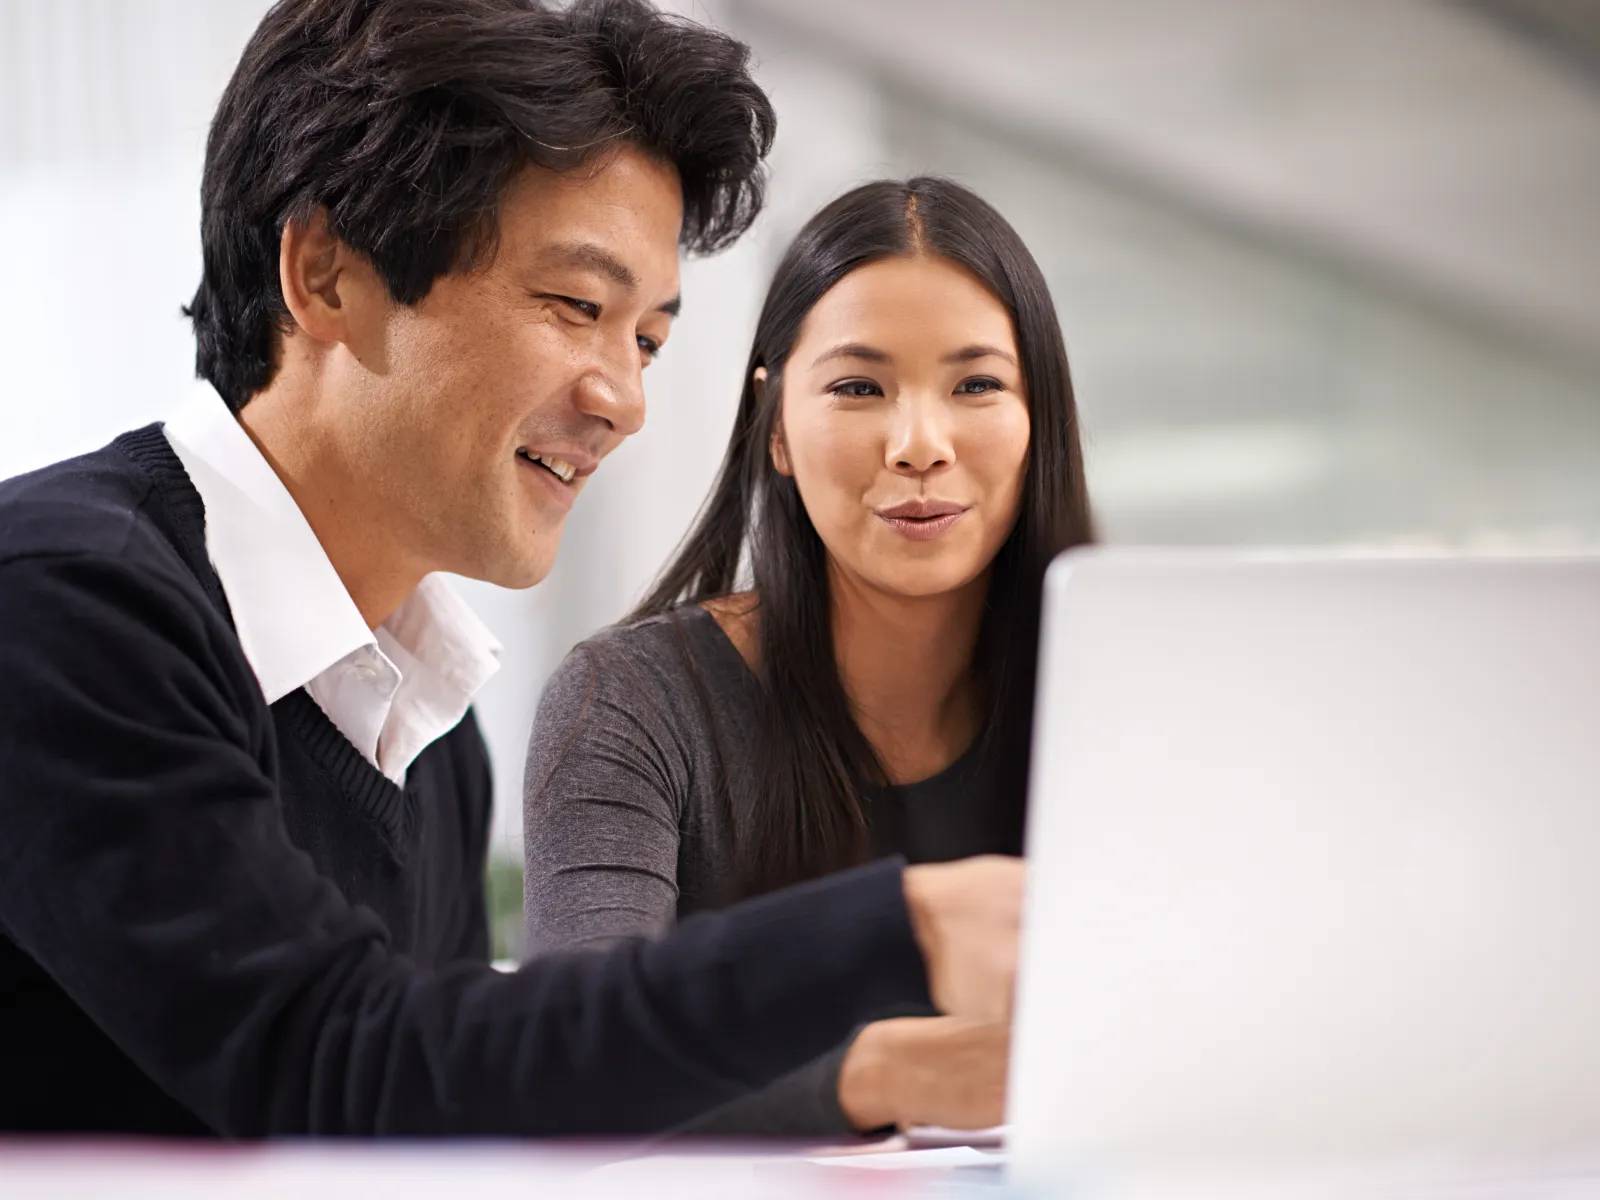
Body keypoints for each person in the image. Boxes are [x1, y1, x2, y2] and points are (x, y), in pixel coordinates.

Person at [0, 1, 1025, 1138]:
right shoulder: (62, 603)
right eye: (576, 308)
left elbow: (440, 1139)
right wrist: (892, 936)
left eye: (646, 340)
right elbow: (333, 1061)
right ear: (327, 272)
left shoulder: (426, 732)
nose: (623, 401)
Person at [522, 177, 1093, 1137]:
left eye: (978, 385)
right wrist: (886, 1075)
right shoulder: (630, 704)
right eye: (858, 388)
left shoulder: (1125, 703)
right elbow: (569, 1069)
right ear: (776, 428)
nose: (919, 445)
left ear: (1041, 421)